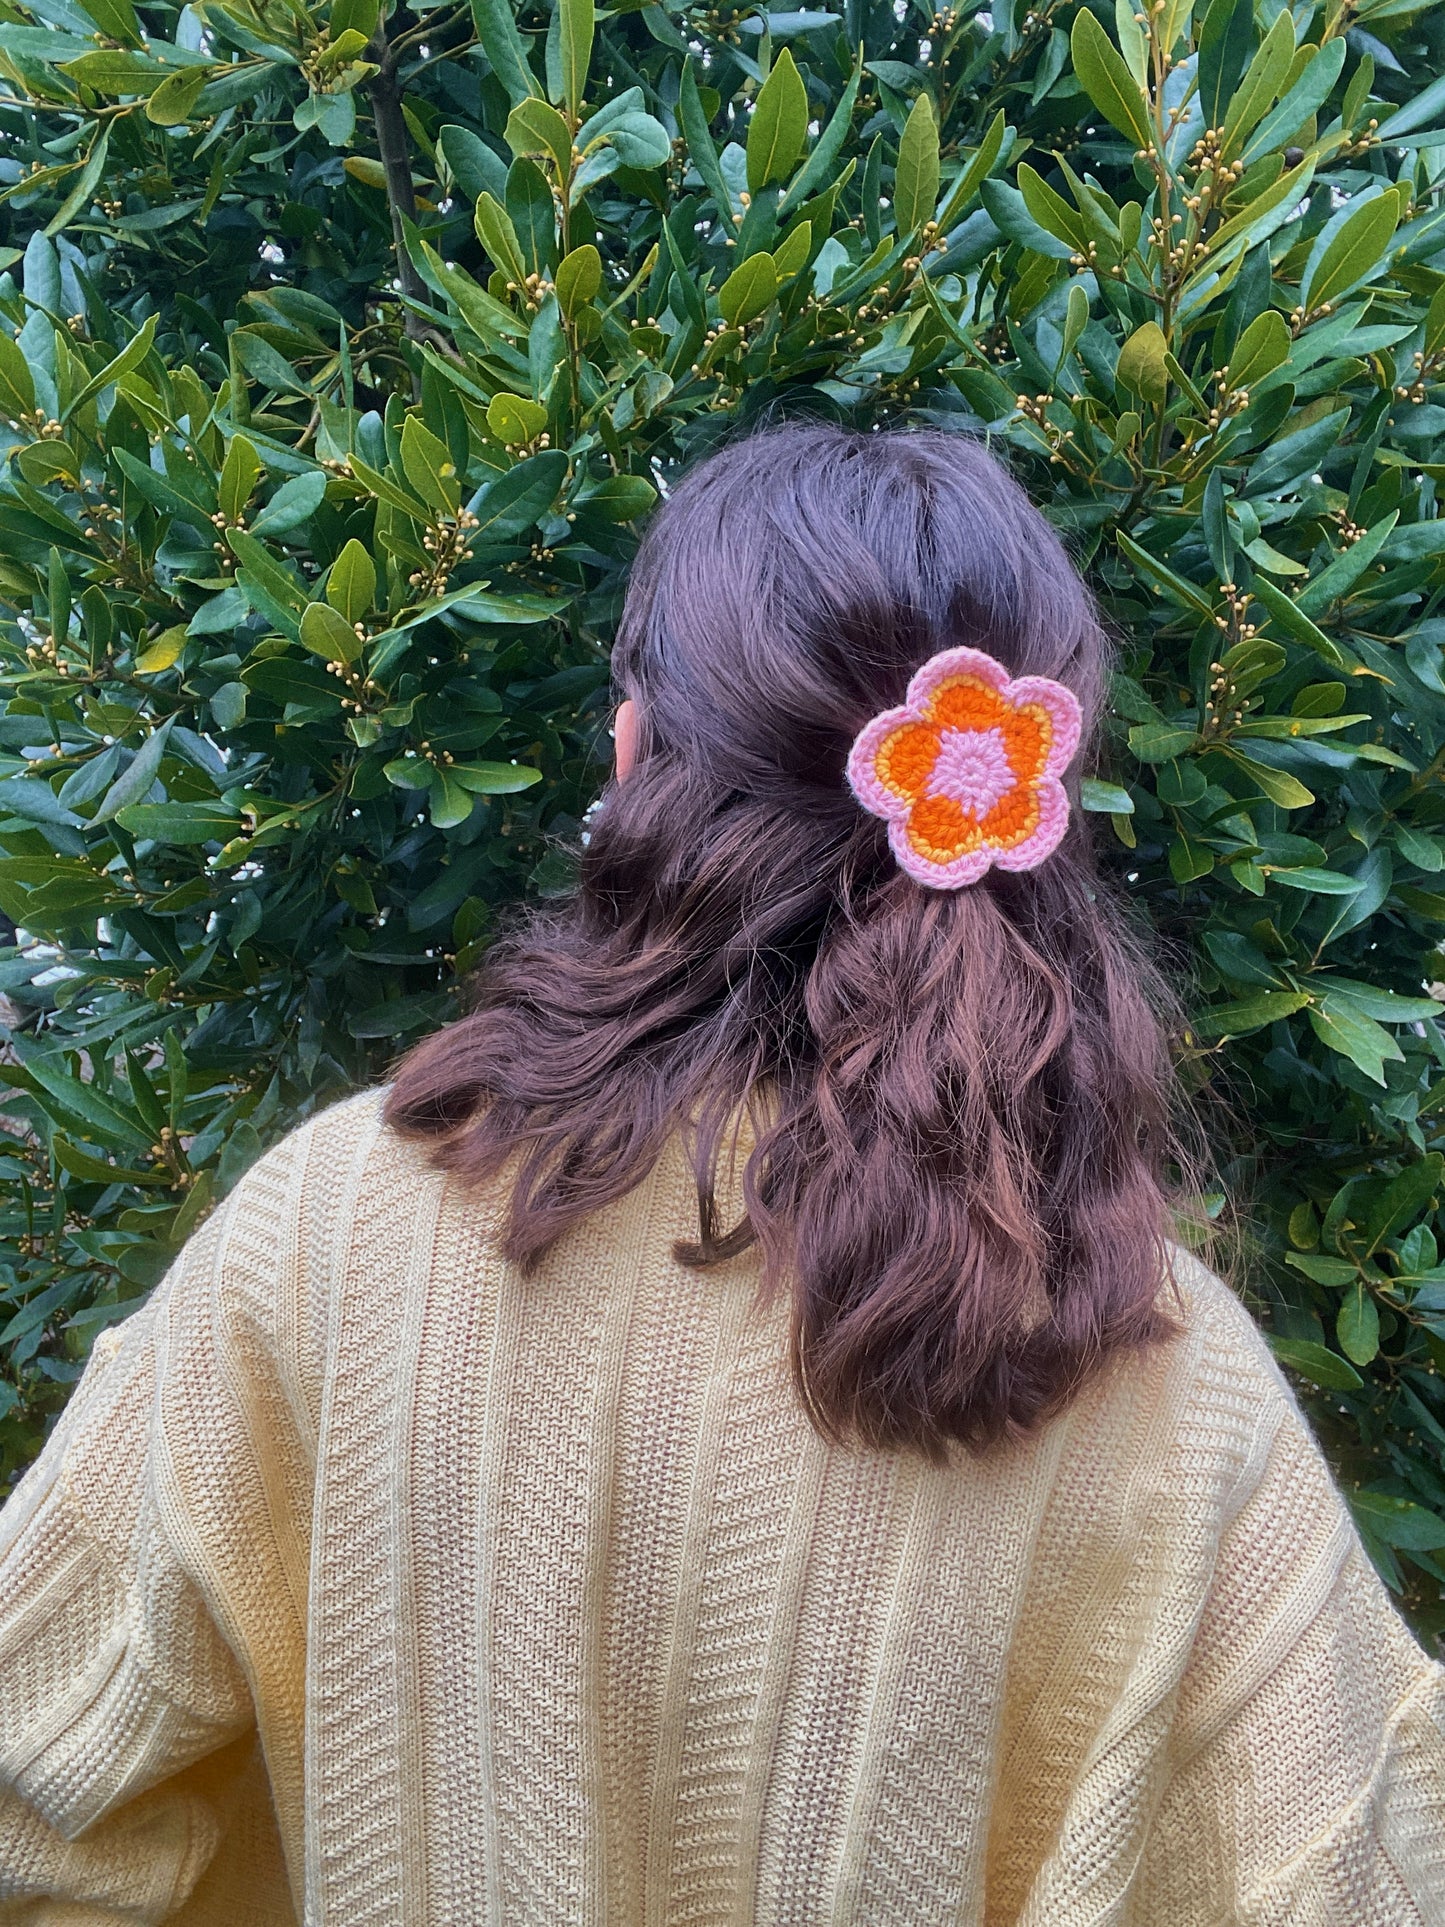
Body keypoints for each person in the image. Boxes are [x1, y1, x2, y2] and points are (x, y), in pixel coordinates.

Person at [0, 423, 1441, 1926]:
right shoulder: (1154, 1368)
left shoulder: (325, 1234)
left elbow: (34, 1793)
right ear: (1021, 797)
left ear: (629, 755)